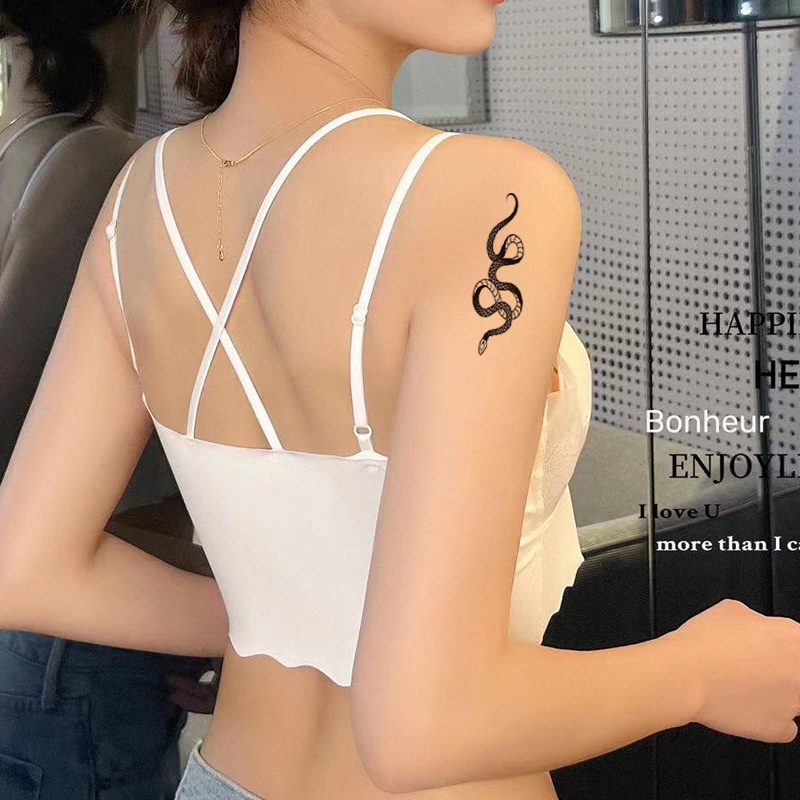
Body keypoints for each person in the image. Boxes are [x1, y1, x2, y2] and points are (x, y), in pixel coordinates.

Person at [1, 2, 800, 800]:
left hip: (227, 777)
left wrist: (266, 622)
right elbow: (424, 729)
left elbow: (26, 570)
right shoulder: (490, 196)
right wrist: (701, 673)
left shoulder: (140, 196)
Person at [0, 2, 219, 798]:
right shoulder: (101, 166)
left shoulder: (25, 150)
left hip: (63, 645)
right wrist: (229, 614)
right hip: (77, 647)